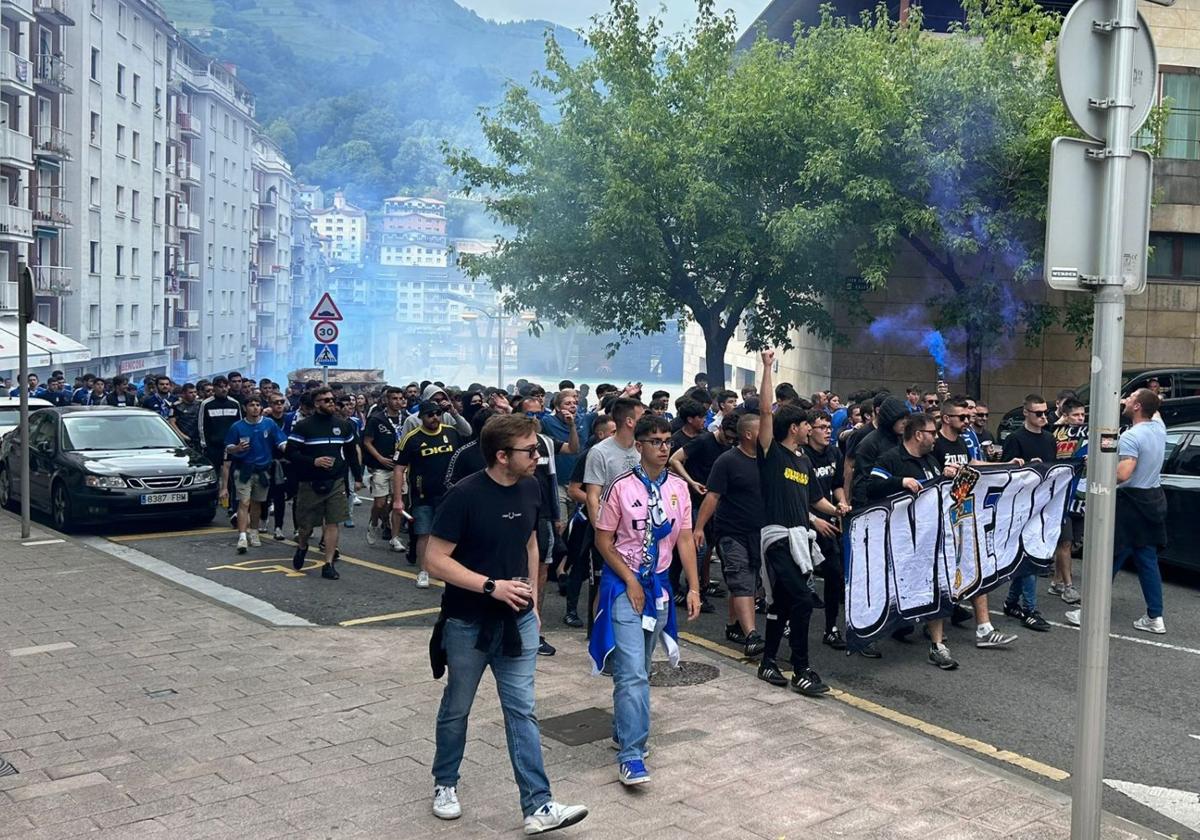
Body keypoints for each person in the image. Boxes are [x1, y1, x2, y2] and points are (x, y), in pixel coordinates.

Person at [423, 414, 589, 833]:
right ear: (501, 456)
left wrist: (532, 597)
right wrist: (490, 587)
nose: (539, 456)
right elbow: (435, 559)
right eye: (530, 450)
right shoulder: (465, 495)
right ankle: (445, 783)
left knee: (522, 711)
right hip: (467, 623)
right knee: (457, 707)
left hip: (518, 624)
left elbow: (531, 543)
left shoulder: (532, 487)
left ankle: (538, 805)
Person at [591, 413, 700, 786]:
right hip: (624, 585)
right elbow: (603, 541)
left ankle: (624, 728)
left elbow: (684, 539)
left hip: (660, 587)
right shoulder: (621, 487)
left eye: (667, 440)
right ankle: (632, 753)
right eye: (655, 440)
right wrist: (629, 580)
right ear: (638, 446)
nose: (663, 447)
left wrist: (695, 587)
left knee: (642, 665)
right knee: (633, 671)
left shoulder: (678, 488)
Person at [755, 349, 834, 696]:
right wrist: (768, 366)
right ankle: (801, 669)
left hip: (801, 541)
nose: (811, 429)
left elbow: (817, 502)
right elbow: (763, 411)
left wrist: (842, 511)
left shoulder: (803, 463)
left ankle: (768, 661)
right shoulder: (773, 453)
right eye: (807, 425)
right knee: (803, 601)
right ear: (794, 428)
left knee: (785, 603)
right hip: (777, 539)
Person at [1066, 388, 1169, 634]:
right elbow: (1154, 409)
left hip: (1131, 502)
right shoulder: (1159, 428)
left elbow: (1123, 474)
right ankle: (1155, 617)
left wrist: (1097, 470)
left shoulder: (1132, 437)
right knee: (1146, 559)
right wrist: (1148, 398)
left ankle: (1089, 612)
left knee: (1107, 557)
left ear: (1136, 407)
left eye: (1130, 397)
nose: (1125, 399)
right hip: (1153, 499)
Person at [866, 412, 960, 669]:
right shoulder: (891, 459)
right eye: (932, 433)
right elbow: (871, 488)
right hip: (898, 540)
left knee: (936, 587)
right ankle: (870, 634)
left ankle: (938, 645)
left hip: (928, 537)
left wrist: (946, 476)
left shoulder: (930, 460)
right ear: (918, 434)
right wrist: (901, 481)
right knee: (889, 589)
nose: (935, 438)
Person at [932, 398, 1018, 649]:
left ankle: (984, 628)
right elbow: (926, 474)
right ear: (947, 418)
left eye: (968, 418)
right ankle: (933, 627)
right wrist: (942, 473)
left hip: (963, 514)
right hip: (940, 516)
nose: (967, 421)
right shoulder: (934, 443)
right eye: (962, 418)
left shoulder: (962, 440)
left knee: (974, 566)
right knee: (942, 572)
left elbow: (973, 464)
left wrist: (1005, 465)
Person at [693, 413, 766, 657]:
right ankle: (752, 635)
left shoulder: (768, 460)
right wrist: (699, 528)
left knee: (750, 581)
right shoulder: (727, 461)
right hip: (731, 532)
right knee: (741, 578)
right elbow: (712, 497)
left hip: (759, 532)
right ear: (747, 434)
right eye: (762, 429)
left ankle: (735, 625)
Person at [286, 387, 363, 580]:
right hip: (310, 481)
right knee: (306, 527)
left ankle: (328, 563)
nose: (331, 403)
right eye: (326, 400)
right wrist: (313, 461)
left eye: (332, 399)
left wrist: (358, 477)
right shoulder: (304, 426)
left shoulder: (343, 426)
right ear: (317, 404)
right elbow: (291, 452)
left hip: (336, 481)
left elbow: (352, 452)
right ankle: (302, 547)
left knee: (333, 522)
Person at [1000, 394, 1054, 633]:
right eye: (1038, 413)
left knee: (1029, 555)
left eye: (1045, 413)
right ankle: (1029, 609)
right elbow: (1004, 473)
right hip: (1020, 506)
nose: (1043, 417)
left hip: (1042, 504)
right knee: (1029, 556)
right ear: (1026, 413)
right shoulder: (1015, 439)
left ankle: (1012, 602)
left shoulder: (1050, 439)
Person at [394, 401, 463, 589]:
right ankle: (423, 571)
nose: (435, 418)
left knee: (447, 535)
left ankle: (444, 569)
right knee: (424, 533)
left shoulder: (451, 432)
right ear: (421, 417)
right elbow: (399, 469)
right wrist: (398, 499)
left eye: (438, 414)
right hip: (422, 494)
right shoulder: (412, 438)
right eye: (430, 415)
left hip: (449, 495)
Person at [802, 410, 853, 651]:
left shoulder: (834, 453)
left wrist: (840, 503)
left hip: (828, 523)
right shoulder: (802, 456)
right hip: (803, 522)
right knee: (799, 578)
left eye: (829, 427)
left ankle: (831, 628)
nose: (827, 431)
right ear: (809, 429)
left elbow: (837, 485)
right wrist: (815, 518)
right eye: (822, 427)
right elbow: (801, 497)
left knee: (834, 573)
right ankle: (789, 621)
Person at [561, 414, 616, 628]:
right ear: (601, 434)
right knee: (580, 567)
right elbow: (574, 490)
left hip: (612, 520)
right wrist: (600, 503)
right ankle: (571, 610)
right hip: (586, 521)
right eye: (612, 432)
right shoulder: (589, 455)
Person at [221, 396, 286, 554]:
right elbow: (228, 447)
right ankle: (242, 536)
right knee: (244, 502)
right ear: (245, 408)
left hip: (263, 471)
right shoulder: (237, 426)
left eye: (258, 405)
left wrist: (292, 449)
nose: (255, 408)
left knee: (257, 503)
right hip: (243, 470)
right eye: (252, 405)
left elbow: (281, 442)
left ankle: (254, 531)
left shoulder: (269, 424)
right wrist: (237, 448)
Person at [1049, 398, 1087, 605]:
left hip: (1081, 497)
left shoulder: (1088, 436)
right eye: (1076, 415)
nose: (1080, 419)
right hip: (1061, 497)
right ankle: (1069, 587)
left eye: (1082, 415)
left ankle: (1057, 582)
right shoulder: (1054, 435)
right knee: (1064, 541)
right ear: (1065, 415)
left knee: (1072, 543)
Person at [362, 387, 407, 552]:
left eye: (400, 398)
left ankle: (395, 537)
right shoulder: (377, 419)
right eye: (394, 398)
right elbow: (367, 441)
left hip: (400, 467)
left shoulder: (407, 419)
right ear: (386, 400)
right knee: (380, 503)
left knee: (398, 503)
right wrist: (379, 457)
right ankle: (374, 522)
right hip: (382, 466)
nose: (398, 401)